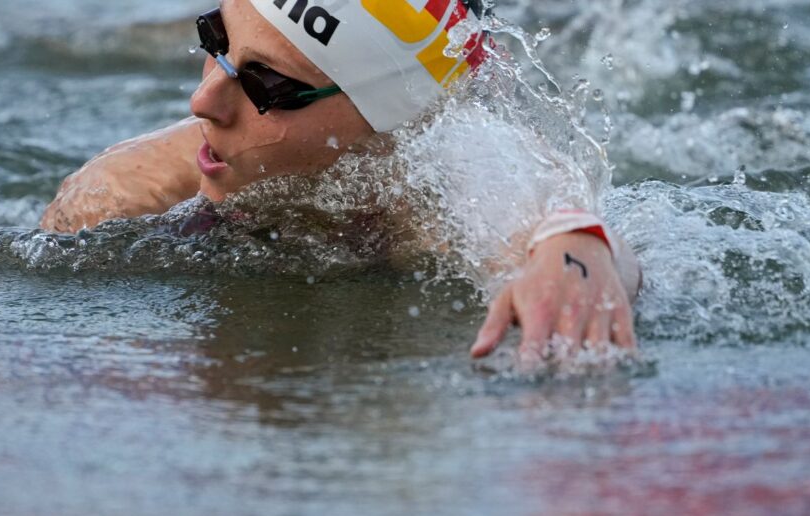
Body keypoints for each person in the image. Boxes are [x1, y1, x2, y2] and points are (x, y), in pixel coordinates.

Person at [41, 0, 643, 362]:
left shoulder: (436, 189)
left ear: (388, 126)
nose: (203, 100)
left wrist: (578, 249)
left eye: (266, 86)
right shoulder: (123, 195)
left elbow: (561, 228)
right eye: (214, 39)